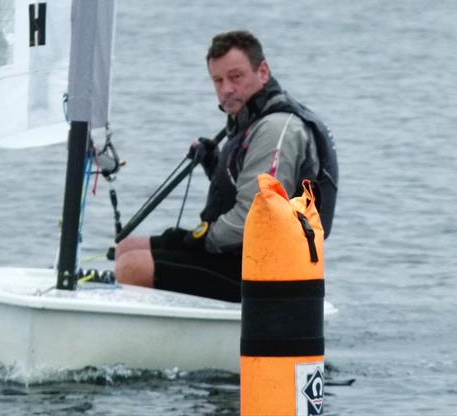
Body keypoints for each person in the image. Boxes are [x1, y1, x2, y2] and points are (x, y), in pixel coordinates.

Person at [114, 30, 337, 302]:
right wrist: (214, 164)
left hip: (270, 273)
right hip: (241, 254)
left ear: (263, 72)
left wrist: (200, 240)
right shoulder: (251, 120)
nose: (226, 89)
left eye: (236, 77)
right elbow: (245, 188)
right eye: (217, 80)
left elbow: (255, 218)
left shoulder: (276, 128)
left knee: (132, 267)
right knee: (126, 248)